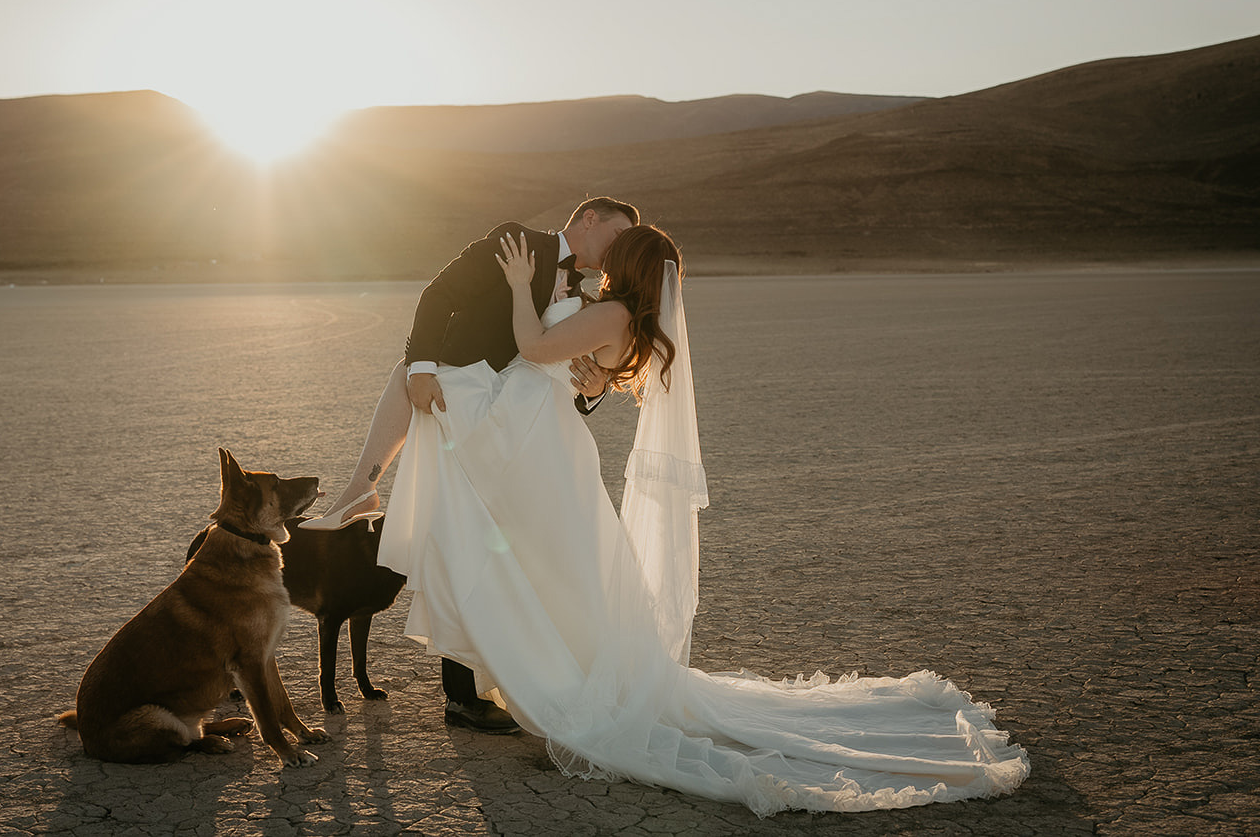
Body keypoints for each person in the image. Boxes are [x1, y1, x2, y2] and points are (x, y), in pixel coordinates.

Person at [374, 223, 1031, 816]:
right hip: (546, 450)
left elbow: (534, 346)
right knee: (566, 567)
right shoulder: (626, 318)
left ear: (627, 265)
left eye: (613, 255)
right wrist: (590, 378)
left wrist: (521, 286)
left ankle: (530, 679)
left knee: (551, 563)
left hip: (542, 448)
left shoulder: (610, 309)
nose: (599, 264)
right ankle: (518, 672)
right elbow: (586, 378)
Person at [300, 197, 639, 734]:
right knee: (465, 545)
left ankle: (499, 681)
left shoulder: (588, 293)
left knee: (508, 557)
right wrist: (421, 366)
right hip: (464, 411)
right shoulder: (519, 241)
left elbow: (565, 371)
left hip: (516, 431)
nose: (617, 253)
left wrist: (593, 390)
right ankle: (461, 697)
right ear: (589, 220)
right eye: (617, 236)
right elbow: (440, 293)